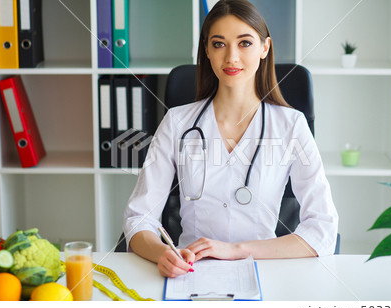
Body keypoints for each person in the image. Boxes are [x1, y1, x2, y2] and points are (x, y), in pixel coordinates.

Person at [123, 0, 338, 278]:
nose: (231, 57)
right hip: (189, 271)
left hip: (264, 272)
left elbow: (323, 230)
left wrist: (236, 249)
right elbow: (139, 217)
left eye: (245, 43)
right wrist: (163, 253)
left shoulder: (291, 125)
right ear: (207, 51)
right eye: (219, 44)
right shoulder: (178, 122)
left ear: (265, 48)